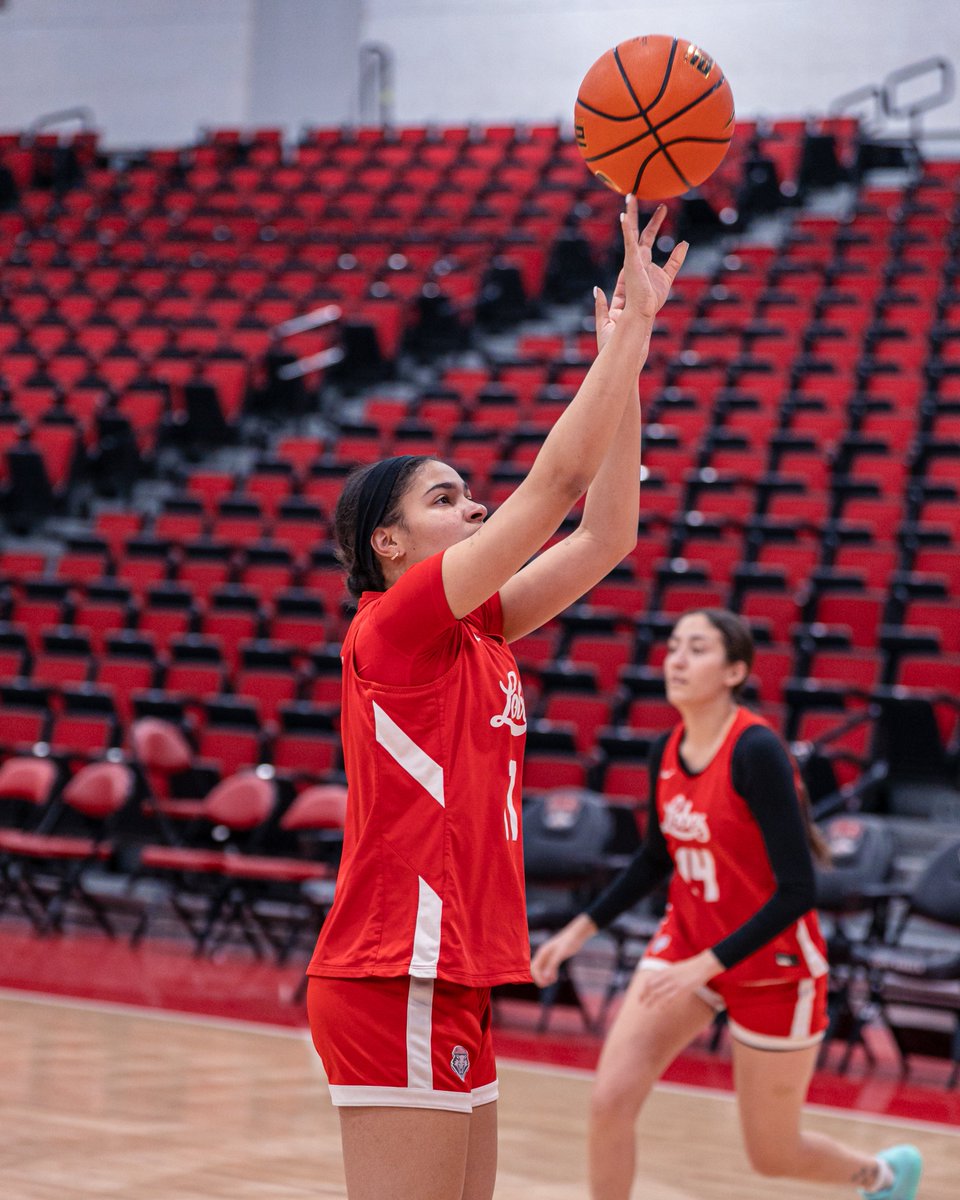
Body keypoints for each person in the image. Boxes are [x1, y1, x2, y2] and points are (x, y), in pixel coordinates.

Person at [304, 195, 688, 1200]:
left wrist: (629, 361)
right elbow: (556, 484)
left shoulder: (481, 627)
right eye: (444, 498)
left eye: (469, 491)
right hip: (396, 971)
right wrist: (631, 332)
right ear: (387, 544)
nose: (471, 504)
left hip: (453, 972)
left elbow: (608, 535)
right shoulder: (393, 626)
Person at [531, 608, 924, 1200]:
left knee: (772, 1155)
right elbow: (655, 858)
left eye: (697, 649)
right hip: (688, 944)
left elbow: (799, 891)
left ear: (735, 670)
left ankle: (882, 1176)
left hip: (773, 968)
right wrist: (579, 930)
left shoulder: (756, 750)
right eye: (672, 647)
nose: (677, 660)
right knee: (609, 1101)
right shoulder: (664, 747)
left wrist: (705, 964)